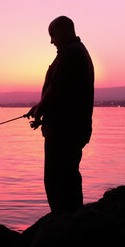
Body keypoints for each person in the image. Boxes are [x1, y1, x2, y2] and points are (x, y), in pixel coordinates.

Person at [26, 16, 95, 212]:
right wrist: (40, 108)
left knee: (58, 177)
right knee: (68, 175)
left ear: (64, 31)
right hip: (70, 127)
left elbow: (56, 89)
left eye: (53, 35)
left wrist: (41, 109)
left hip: (65, 130)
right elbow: (61, 92)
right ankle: (71, 218)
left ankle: (64, 221)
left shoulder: (70, 53)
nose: (51, 41)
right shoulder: (75, 52)